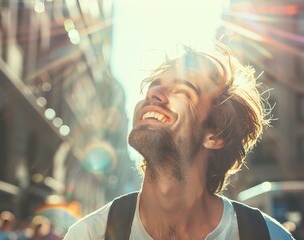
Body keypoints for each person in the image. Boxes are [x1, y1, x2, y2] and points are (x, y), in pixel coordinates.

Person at [63, 42, 294, 239]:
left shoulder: (267, 235)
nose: (154, 93)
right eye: (154, 86)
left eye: (183, 91)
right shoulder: (90, 234)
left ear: (214, 135)